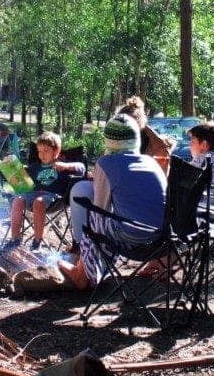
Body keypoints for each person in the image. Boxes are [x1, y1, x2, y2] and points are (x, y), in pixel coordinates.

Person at [57, 114, 167, 290]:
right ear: (136, 139)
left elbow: (101, 207)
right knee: (111, 218)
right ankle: (94, 270)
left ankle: (82, 273)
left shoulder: (106, 163)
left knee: (94, 216)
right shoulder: (151, 162)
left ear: (108, 141)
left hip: (132, 237)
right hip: (162, 238)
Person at [4, 131, 85, 250]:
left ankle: (37, 242)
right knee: (17, 200)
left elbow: (82, 168)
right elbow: (21, 179)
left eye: (46, 151)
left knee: (39, 202)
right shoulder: (35, 167)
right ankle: (15, 239)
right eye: (39, 151)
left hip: (53, 198)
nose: (42, 154)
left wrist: (66, 166)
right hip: (32, 194)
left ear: (56, 152)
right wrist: (10, 167)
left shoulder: (62, 166)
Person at [116, 95, 173, 160]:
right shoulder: (118, 135)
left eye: (132, 119)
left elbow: (163, 147)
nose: (128, 123)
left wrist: (144, 125)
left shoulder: (149, 137)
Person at [188, 121, 214, 187]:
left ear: (204, 144)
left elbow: (183, 175)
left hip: (206, 195)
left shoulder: (203, 159)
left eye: (193, 141)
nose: (190, 145)